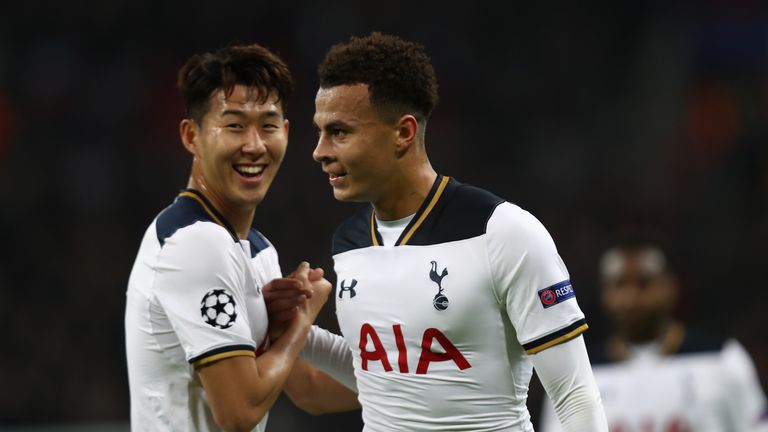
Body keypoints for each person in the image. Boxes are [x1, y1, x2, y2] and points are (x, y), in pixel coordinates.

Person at [288, 32, 609, 431]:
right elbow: (387, 380)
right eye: (320, 132)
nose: (319, 151)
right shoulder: (348, 243)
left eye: (339, 132)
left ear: (403, 132)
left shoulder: (503, 233)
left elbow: (575, 395)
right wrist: (295, 329)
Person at [124, 43, 333, 432]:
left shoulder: (258, 251)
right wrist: (302, 319)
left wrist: (431, 379)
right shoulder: (194, 244)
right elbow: (238, 412)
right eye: (234, 125)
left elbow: (309, 390)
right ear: (191, 136)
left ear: (285, 133)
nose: (254, 145)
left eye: (268, 126)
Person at [539, 236, 768, 431]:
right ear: (604, 293)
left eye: (643, 283)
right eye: (619, 285)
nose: (630, 297)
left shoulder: (721, 358)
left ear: (670, 286)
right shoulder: (577, 374)